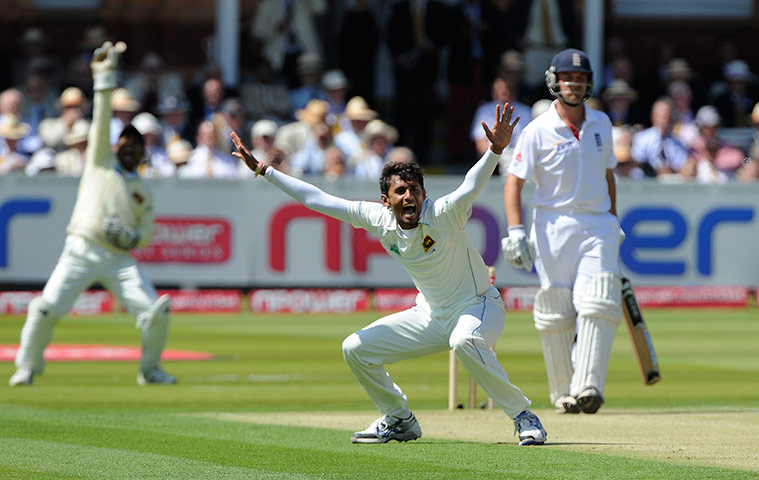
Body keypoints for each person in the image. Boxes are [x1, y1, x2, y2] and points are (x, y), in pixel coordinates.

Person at [231, 103, 547, 446]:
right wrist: (264, 169)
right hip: (431, 315)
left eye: (415, 189)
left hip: (478, 307)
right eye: (401, 191)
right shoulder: (377, 218)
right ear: (386, 200)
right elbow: (316, 199)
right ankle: (399, 418)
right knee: (355, 348)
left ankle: (523, 415)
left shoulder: (445, 213)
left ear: (425, 194)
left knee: (463, 340)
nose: (409, 196)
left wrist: (496, 149)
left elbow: (472, 183)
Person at [9, 41, 177, 387]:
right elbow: (101, 120)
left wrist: (131, 238)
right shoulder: (100, 163)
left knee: (156, 313)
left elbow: (146, 230)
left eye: (136, 146)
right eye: (124, 144)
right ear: (117, 147)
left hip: (119, 257)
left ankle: (150, 370)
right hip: (81, 250)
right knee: (44, 309)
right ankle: (26, 367)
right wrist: (105, 77)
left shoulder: (142, 189)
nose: (129, 150)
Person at [502, 48, 623, 415]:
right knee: (556, 309)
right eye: (568, 78)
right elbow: (514, 182)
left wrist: (613, 219)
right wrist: (516, 231)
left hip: (597, 223)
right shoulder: (537, 130)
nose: (574, 84)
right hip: (552, 225)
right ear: (555, 81)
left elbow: (607, 175)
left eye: (580, 78)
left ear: (588, 82)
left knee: (598, 300)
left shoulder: (601, 123)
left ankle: (588, 386)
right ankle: (563, 393)